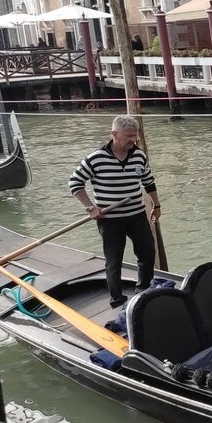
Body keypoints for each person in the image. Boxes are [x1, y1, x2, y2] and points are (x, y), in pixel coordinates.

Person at [69, 116, 161, 307]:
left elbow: (148, 182)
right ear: (114, 134)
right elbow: (75, 182)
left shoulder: (139, 155)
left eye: (135, 136)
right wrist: (90, 207)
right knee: (114, 260)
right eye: (129, 136)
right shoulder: (96, 158)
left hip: (136, 215)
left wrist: (156, 206)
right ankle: (117, 300)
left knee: (147, 253)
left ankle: (143, 292)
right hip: (110, 219)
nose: (133, 140)